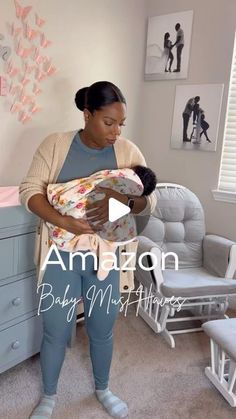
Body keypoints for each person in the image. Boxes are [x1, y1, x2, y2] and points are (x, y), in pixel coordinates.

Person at [19, 80, 157, 419]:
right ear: (87, 114)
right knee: (55, 328)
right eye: (108, 122)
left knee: (101, 327)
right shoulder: (55, 145)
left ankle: (103, 389)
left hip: (103, 258)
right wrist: (64, 222)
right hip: (61, 255)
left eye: (120, 124)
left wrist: (123, 200)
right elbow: (29, 191)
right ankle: (49, 397)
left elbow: (149, 200)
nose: (115, 132)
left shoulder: (127, 151)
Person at [46, 165, 157, 280]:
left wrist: (125, 200)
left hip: (69, 202)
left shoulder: (128, 168)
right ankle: (98, 248)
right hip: (65, 245)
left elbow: (150, 203)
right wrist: (61, 221)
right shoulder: (125, 176)